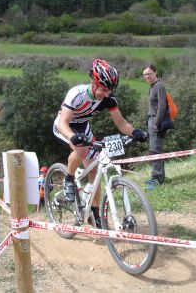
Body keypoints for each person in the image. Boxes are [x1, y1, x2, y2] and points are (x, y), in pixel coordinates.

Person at [53, 58, 147, 228]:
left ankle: (95, 216)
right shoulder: (77, 94)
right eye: (103, 90)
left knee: (95, 172)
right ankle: (69, 178)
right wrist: (73, 138)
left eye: (109, 90)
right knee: (80, 151)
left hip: (83, 127)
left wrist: (134, 132)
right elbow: (62, 123)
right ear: (93, 83)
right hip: (64, 125)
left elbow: (120, 123)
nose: (106, 94)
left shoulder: (109, 98)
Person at [143, 64, 172, 190]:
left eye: (149, 73)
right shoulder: (152, 87)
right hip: (152, 120)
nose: (147, 76)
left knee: (156, 150)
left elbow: (162, 106)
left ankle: (158, 179)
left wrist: (156, 123)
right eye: (145, 74)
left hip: (156, 121)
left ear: (155, 72)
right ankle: (155, 176)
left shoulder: (159, 86)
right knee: (153, 149)